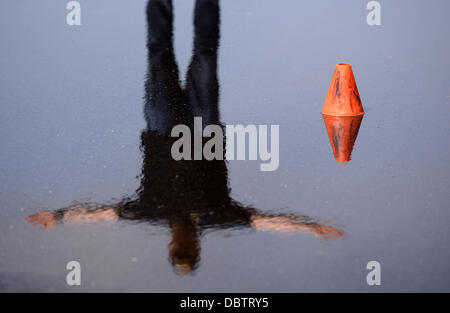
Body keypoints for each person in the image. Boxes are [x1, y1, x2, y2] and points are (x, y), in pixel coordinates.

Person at [26, 0, 343, 275]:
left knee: (158, 53)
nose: (183, 245)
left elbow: (103, 213)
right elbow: (266, 221)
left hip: (161, 126)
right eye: (188, 251)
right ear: (197, 249)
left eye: (178, 250)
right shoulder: (218, 216)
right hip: (203, 127)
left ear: (170, 246)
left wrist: (60, 215)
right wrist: (310, 227)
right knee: (205, 55)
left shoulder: (150, 211)